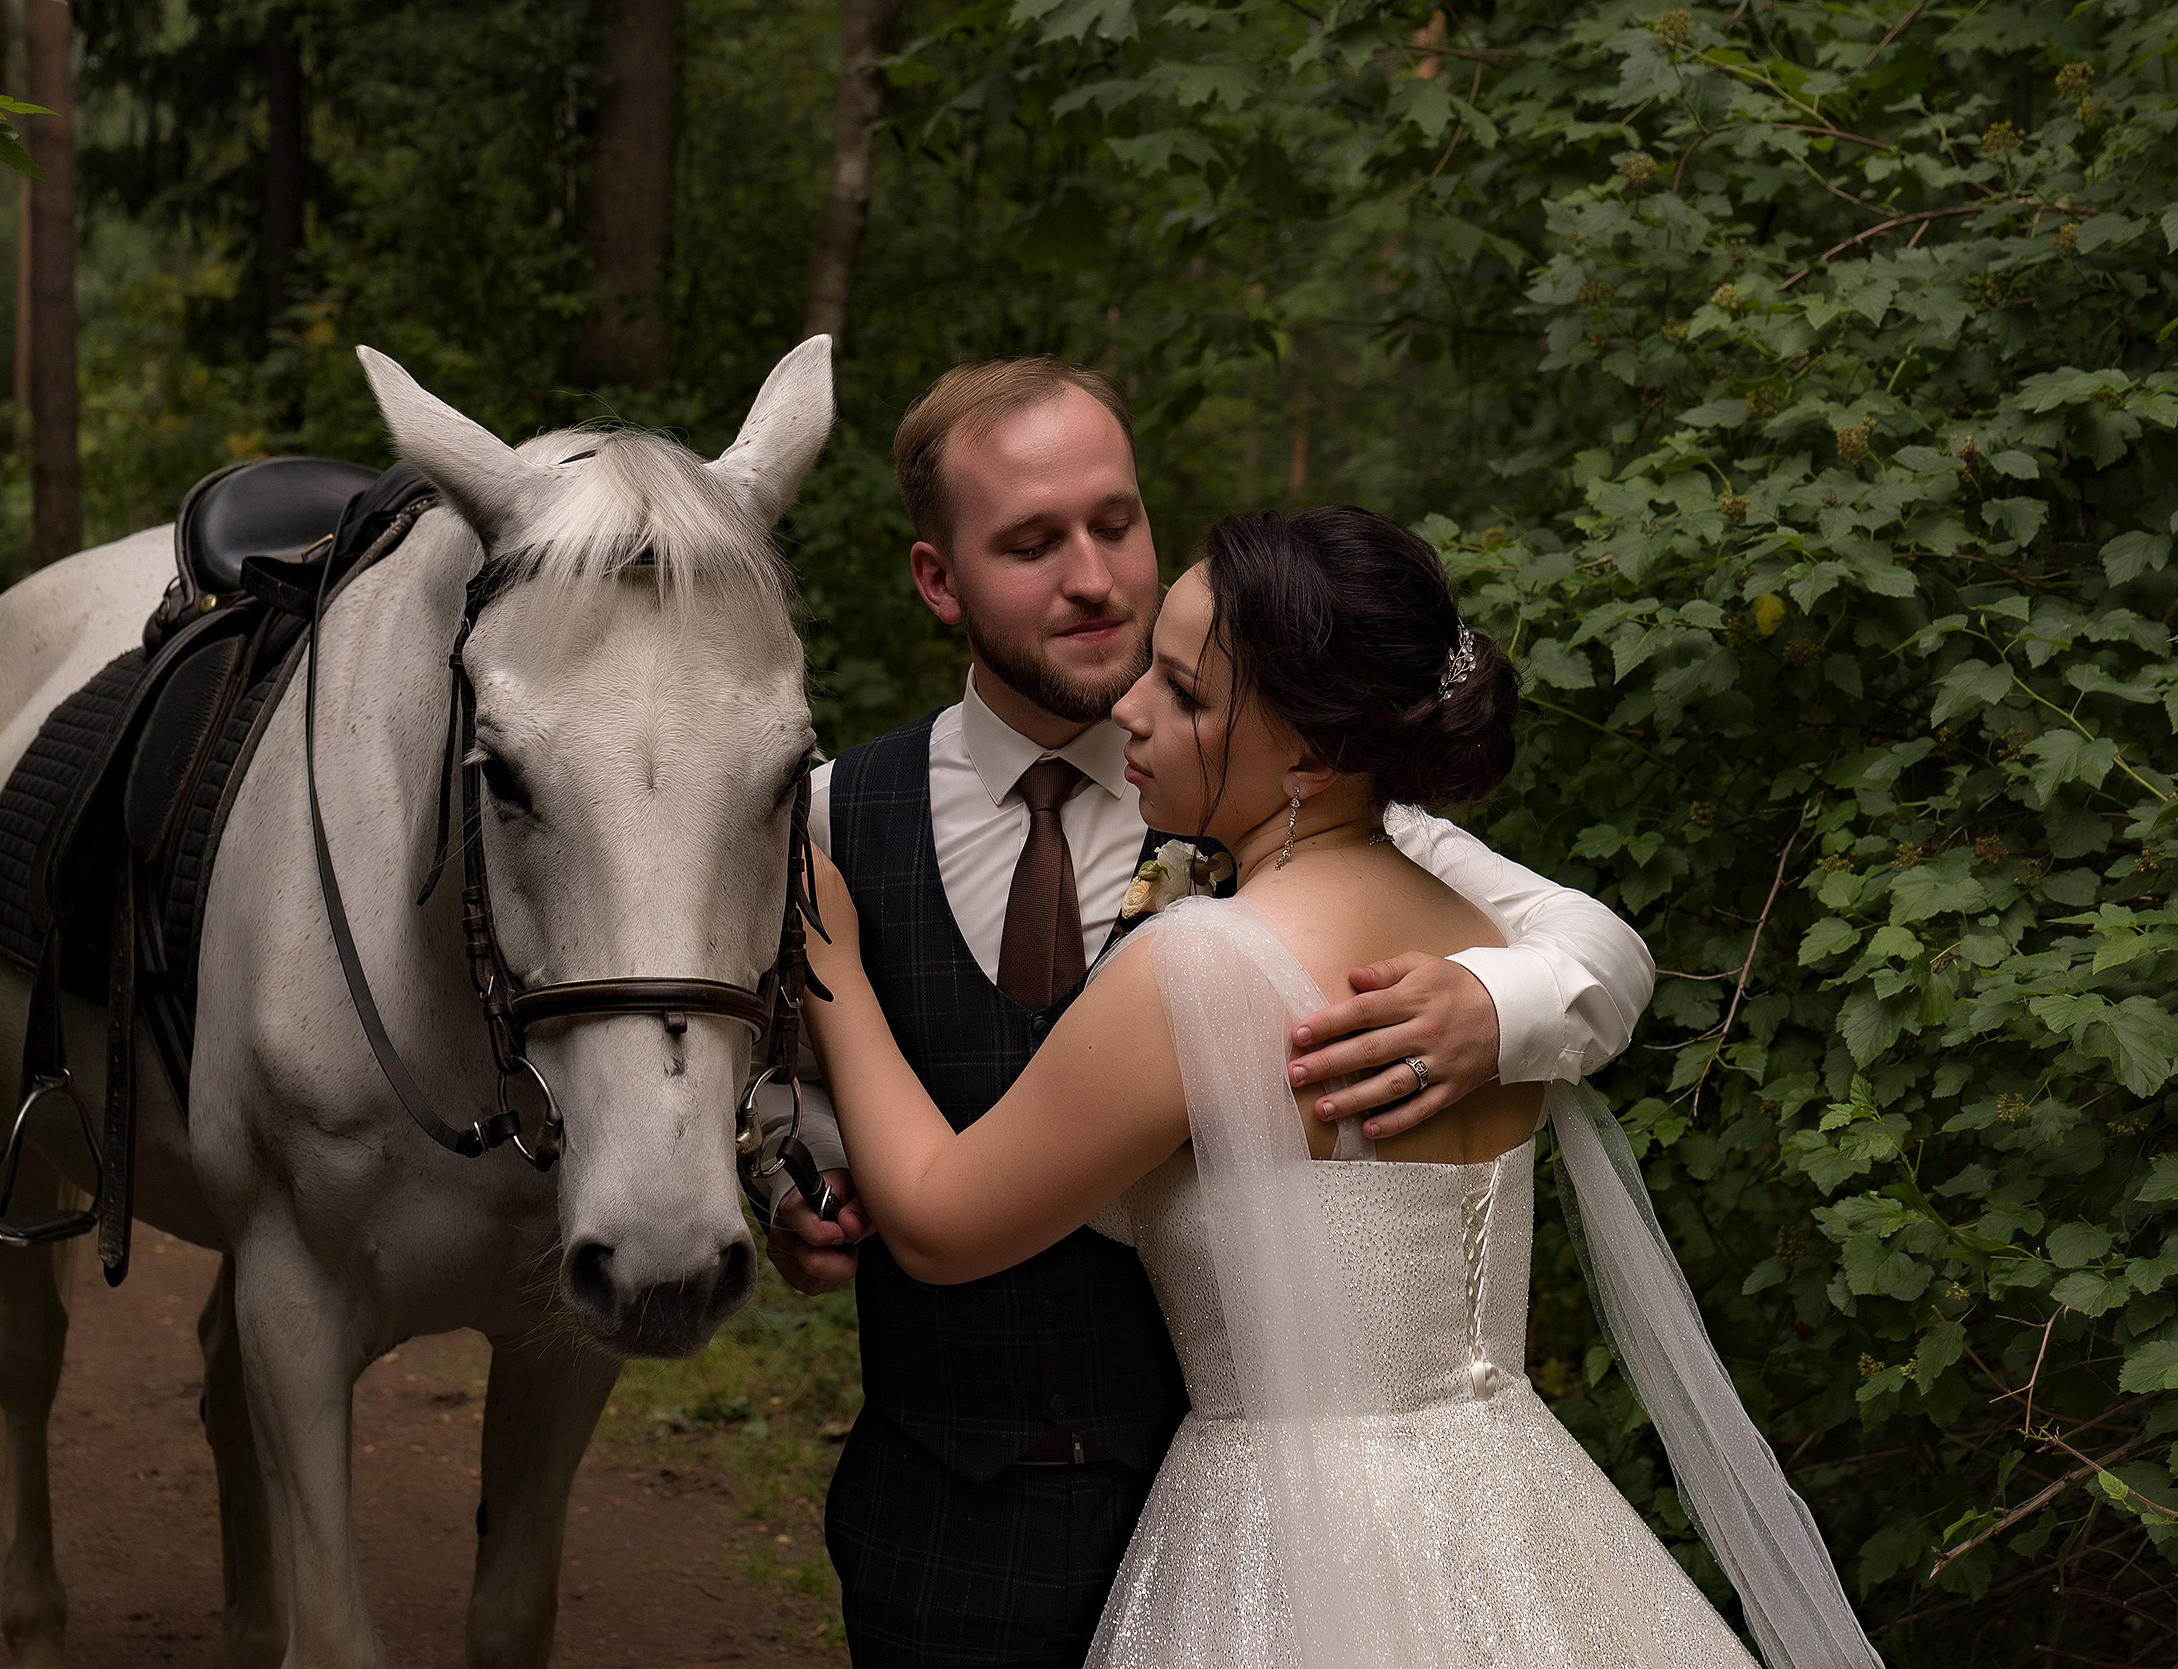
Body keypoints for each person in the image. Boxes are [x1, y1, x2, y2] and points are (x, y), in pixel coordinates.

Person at [803, 507, 1882, 1669]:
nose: (1129, 711)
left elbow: (940, 1221)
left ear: (1312, 755)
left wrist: (829, 960)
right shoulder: (1476, 945)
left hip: (1278, 1545)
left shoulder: (1199, 966)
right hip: (1508, 1502)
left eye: (1184, 694)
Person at [753, 358, 1667, 1668]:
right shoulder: (839, 817)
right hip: (953, 1515)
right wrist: (798, 1179)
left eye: (1116, 522)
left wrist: (1486, 1002)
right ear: (937, 579)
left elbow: (1594, 949)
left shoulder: (1315, 793)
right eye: (1030, 542)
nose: (1096, 578)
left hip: (1223, 1524)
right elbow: (769, 1083)